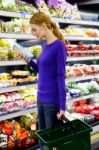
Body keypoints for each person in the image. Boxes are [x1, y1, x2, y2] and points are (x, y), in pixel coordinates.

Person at [17, 12, 66, 150]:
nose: (33, 33)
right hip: (41, 98)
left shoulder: (59, 46)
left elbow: (60, 76)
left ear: (44, 26)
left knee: (51, 143)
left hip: (52, 101)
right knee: (42, 139)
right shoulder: (44, 46)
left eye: (34, 29)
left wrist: (62, 106)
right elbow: (42, 70)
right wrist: (29, 62)